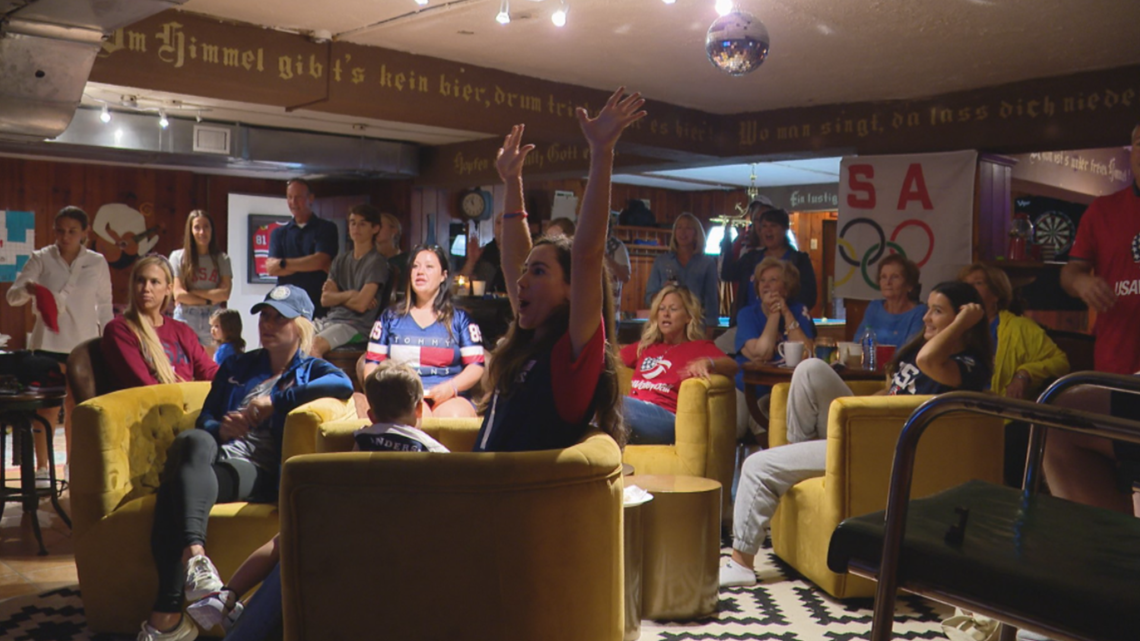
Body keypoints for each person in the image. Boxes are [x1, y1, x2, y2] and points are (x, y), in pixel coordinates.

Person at [721, 281, 992, 588]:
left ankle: (741, 563)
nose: (926, 318)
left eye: (937, 311)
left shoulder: (968, 365)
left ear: (962, 322)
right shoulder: (920, 352)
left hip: (886, 450)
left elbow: (928, 361)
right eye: (927, 309)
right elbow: (890, 392)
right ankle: (797, 460)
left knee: (758, 466)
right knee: (810, 368)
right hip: (868, 431)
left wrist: (960, 325)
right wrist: (858, 407)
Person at [134, 285, 354, 641]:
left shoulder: (310, 370)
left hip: (259, 470)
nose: (266, 324)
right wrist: (221, 427)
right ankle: (196, 559)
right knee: (192, 441)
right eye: (264, 316)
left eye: (277, 318)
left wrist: (276, 402)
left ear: (299, 325)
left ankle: (168, 614)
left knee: (174, 486)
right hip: (217, 458)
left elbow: (342, 382)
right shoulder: (238, 364)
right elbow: (205, 418)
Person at [184, 360, 441, 641]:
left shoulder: (364, 437)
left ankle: (228, 594)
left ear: (370, 414)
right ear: (418, 410)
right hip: (394, 539)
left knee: (284, 542)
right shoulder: (431, 450)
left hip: (339, 528)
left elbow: (342, 482)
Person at [473, 87, 643, 452]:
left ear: (571, 289)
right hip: (483, 493)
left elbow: (586, 255)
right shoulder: (528, 337)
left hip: (522, 500)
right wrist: (512, 181)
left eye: (538, 273)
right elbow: (514, 255)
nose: (520, 281)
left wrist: (602, 152)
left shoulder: (573, 349)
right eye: (526, 272)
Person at [1044, 125, 1140, 519]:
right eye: (1139, 142)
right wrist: (1082, 282)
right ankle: (1110, 559)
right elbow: (1071, 273)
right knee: (1059, 419)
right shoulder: (1104, 210)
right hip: (1117, 365)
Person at [6, 206, 113, 479]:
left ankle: (73, 466)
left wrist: (110, 341)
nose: (65, 237)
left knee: (78, 409)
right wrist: (28, 288)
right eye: (60, 231)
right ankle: (43, 468)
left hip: (85, 345)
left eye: (72, 231)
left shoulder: (97, 262)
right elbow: (12, 296)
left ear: (85, 233)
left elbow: (104, 305)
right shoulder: (41, 258)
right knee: (47, 408)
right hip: (47, 344)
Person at [361, 245, 484, 419]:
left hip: (449, 395)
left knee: (454, 417)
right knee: (417, 416)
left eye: (429, 267)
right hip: (402, 397)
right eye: (415, 266)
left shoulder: (460, 319)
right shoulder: (390, 317)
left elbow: (476, 366)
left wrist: (451, 387)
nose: (420, 272)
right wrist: (378, 396)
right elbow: (372, 364)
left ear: (444, 276)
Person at [620, 285, 737, 444]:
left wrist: (709, 362)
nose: (666, 314)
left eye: (673, 309)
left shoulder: (698, 347)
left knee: (613, 403)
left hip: (666, 418)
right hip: (634, 411)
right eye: (661, 309)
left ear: (688, 317)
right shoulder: (646, 346)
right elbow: (612, 359)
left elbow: (733, 366)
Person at [103, 256, 218, 390]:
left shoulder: (182, 331)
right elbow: (144, 385)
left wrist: (236, 379)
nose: (146, 288)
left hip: (186, 405)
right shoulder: (119, 330)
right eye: (140, 280)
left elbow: (208, 371)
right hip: (149, 407)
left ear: (168, 289)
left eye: (155, 282)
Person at [960, 263, 1069, 398]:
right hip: (955, 408)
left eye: (978, 283)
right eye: (965, 284)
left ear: (996, 294)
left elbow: (1060, 362)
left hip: (999, 411)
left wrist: (1025, 374)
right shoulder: (952, 326)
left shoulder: (1019, 327)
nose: (969, 289)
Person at [734, 257, 817, 403]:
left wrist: (786, 312)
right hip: (749, 389)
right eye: (762, 280)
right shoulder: (746, 314)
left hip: (788, 388)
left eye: (773, 280)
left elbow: (807, 353)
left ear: (786, 288)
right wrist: (775, 312)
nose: (766, 285)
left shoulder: (798, 311)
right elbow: (763, 353)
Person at [311, 204, 389, 358]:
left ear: (375, 228)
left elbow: (360, 306)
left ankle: (321, 382)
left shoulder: (376, 262)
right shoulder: (341, 260)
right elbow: (325, 299)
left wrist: (338, 296)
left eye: (362, 224)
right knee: (289, 337)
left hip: (356, 326)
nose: (356, 228)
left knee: (314, 346)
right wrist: (352, 294)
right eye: (353, 223)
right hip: (330, 319)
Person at [721, 204, 816, 322]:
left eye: (773, 226)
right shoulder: (751, 258)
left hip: (787, 323)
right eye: (764, 226)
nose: (768, 230)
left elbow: (809, 297)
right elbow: (726, 274)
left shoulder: (799, 260)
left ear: (785, 229)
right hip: (749, 324)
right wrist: (727, 242)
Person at [265, 178, 339, 319]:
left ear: (310, 198)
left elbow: (320, 261)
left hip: (316, 305)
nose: (293, 202)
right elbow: (271, 268)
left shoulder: (326, 228)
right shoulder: (279, 233)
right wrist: (308, 264)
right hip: (285, 306)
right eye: (289, 197)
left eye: (298, 197)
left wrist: (283, 264)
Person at [169, 210, 232, 353]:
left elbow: (224, 294)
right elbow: (179, 294)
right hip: (185, 315)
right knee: (184, 367)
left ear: (212, 230)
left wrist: (194, 292)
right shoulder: (178, 257)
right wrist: (209, 299)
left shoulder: (222, 259)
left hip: (213, 318)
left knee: (210, 369)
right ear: (190, 230)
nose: (202, 232)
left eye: (206, 227)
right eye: (197, 227)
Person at [644, 213, 720, 330]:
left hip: (697, 326)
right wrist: (663, 294)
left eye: (688, 228)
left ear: (696, 234)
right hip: (667, 327)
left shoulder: (707, 264)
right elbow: (649, 298)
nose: (683, 232)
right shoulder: (661, 262)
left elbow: (711, 302)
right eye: (679, 227)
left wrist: (709, 332)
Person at [853, 254, 927, 348]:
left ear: (909, 285)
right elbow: (857, 342)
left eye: (895, 277)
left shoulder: (919, 312)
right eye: (883, 277)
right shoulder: (874, 307)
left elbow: (910, 351)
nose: (888, 282)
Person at [459, 214, 507, 294]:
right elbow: (460, 290)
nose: (502, 228)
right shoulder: (485, 252)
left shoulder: (522, 254)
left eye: (506, 223)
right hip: (484, 305)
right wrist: (471, 261)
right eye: (498, 223)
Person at [605, 214, 632, 316]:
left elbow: (626, 276)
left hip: (610, 314)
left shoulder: (617, 246)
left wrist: (606, 257)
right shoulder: (585, 244)